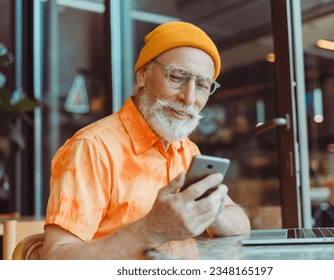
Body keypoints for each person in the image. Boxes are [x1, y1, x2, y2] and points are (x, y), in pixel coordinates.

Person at [41, 21, 250, 260]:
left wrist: (213, 212)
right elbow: (55, 260)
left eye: (202, 85)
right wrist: (150, 230)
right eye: (177, 77)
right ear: (142, 75)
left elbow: (240, 223)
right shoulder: (92, 148)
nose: (189, 97)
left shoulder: (187, 149)